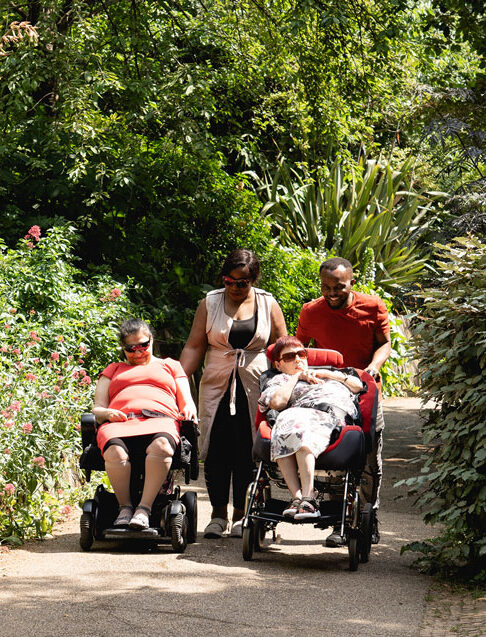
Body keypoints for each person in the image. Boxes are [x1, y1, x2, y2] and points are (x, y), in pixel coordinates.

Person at [180, 249, 287, 538]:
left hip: (255, 386)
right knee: (214, 449)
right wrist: (176, 380)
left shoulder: (267, 303)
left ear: (253, 280)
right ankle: (217, 514)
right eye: (230, 281)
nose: (235, 288)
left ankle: (242, 513)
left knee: (248, 450)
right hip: (216, 385)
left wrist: (291, 381)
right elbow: (194, 346)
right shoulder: (210, 302)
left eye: (243, 283)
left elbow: (282, 347)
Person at [296, 256, 390, 544]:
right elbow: (300, 350)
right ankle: (339, 519)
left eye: (338, 287)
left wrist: (374, 366)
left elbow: (384, 344)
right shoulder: (311, 311)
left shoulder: (372, 306)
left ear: (352, 281)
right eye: (326, 287)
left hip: (365, 389)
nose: (332, 293)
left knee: (369, 455)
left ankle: (367, 515)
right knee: (336, 450)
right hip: (330, 393)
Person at [92, 318, 197, 530]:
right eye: (131, 348)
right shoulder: (113, 369)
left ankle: (144, 509)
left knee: (161, 446)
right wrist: (107, 412)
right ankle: (125, 508)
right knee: (114, 452)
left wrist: (188, 411)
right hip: (120, 421)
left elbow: (188, 402)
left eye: (143, 345)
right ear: (123, 348)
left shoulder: (170, 365)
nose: (138, 352)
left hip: (160, 420)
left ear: (151, 340)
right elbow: (98, 407)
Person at [258, 336, 363, 518]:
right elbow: (277, 402)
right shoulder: (278, 380)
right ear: (278, 365)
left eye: (301, 354)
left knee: (301, 426)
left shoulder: (332, 374)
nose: (298, 359)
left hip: (329, 415)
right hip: (294, 417)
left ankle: (308, 499)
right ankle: (299, 499)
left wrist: (328, 374)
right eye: (290, 357)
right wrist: (296, 377)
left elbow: (358, 386)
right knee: (292, 424)